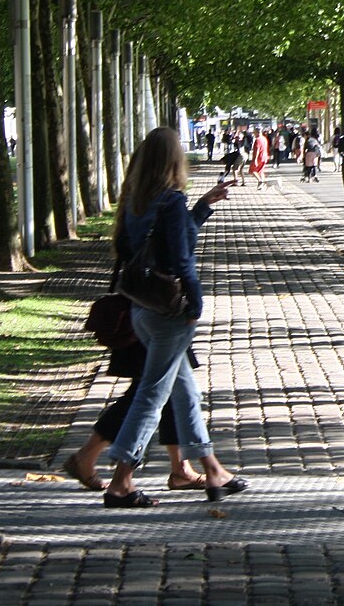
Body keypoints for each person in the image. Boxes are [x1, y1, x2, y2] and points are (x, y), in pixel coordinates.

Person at [103, 127, 246, 508]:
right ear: (174, 160)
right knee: (153, 394)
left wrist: (201, 207)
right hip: (169, 312)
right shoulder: (170, 201)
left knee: (184, 392)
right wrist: (195, 304)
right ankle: (121, 480)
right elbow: (181, 259)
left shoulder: (137, 200)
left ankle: (212, 468)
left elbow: (161, 243)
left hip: (140, 308)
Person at [63, 339, 208, 493]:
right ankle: (95, 463)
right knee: (149, 391)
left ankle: (181, 469)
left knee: (167, 385)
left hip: (159, 323)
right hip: (158, 324)